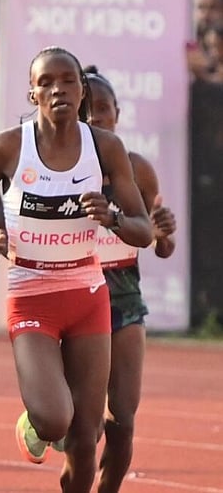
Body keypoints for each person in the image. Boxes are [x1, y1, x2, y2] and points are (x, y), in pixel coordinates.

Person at [0, 46, 153, 493]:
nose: (57, 89)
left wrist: (114, 218)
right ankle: (36, 419)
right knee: (54, 418)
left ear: (81, 91)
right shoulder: (9, 145)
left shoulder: (105, 148)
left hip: (86, 294)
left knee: (86, 438)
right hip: (31, 293)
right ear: (32, 92)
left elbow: (143, 231)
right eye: (46, 82)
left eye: (68, 80)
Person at [83, 67, 177, 493]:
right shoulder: (58, 168)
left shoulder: (137, 170)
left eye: (104, 110)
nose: (96, 119)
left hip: (123, 292)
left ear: (118, 114)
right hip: (74, 289)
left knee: (121, 417)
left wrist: (164, 233)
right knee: (81, 427)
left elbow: (159, 246)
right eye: (88, 111)